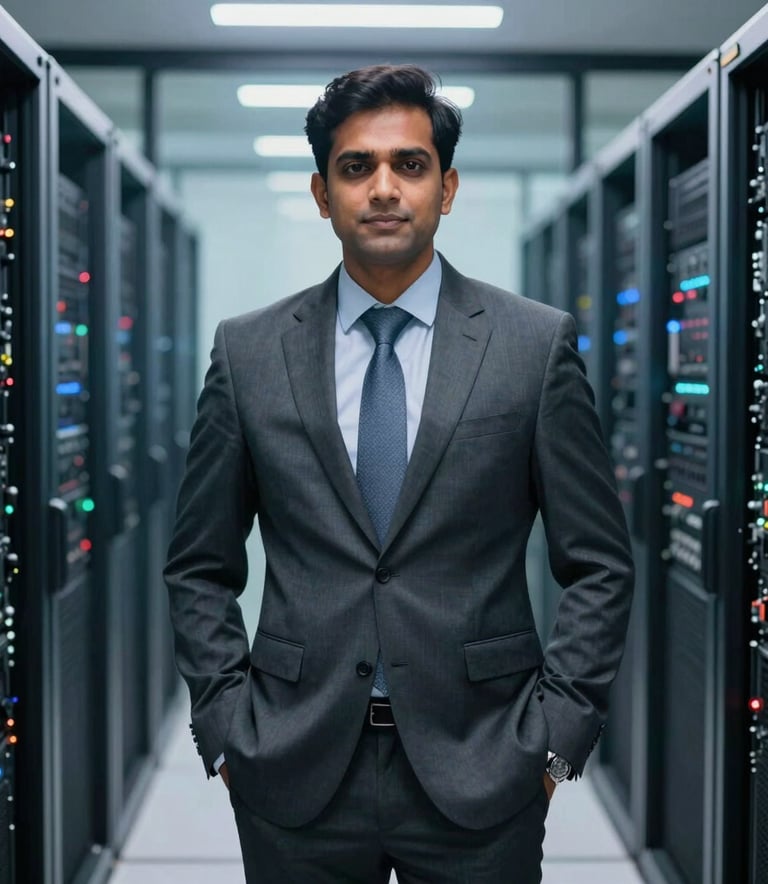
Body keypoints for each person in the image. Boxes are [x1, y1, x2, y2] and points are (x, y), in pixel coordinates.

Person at [164, 63, 634, 883]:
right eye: (357, 167)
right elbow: (198, 565)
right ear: (322, 193)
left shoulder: (532, 347)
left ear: (446, 188)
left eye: (409, 164)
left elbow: (598, 563)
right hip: (293, 763)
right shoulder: (249, 353)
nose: (384, 188)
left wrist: (556, 741)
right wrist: (227, 729)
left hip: (485, 761)